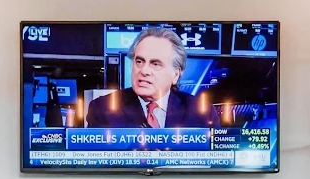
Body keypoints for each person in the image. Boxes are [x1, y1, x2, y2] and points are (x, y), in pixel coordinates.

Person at [86, 27, 219, 129]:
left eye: (155, 64)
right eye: (139, 62)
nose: (144, 71)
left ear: (176, 74)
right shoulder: (102, 108)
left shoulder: (201, 112)